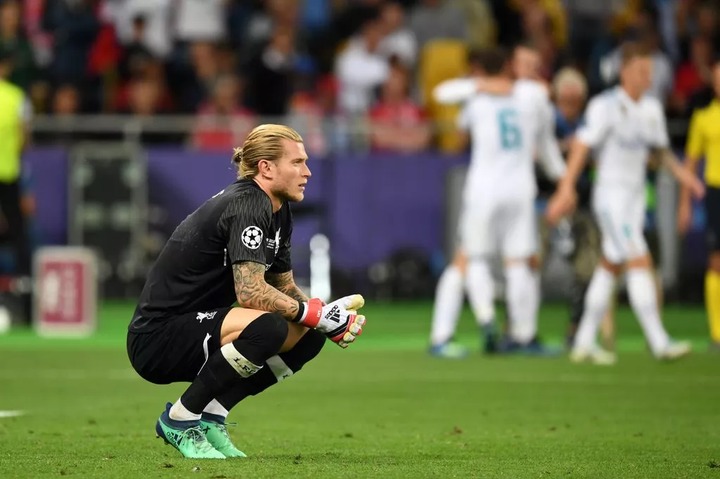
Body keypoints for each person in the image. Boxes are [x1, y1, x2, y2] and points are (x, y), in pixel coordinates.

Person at [127, 124, 367, 459]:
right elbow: (251, 291)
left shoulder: (278, 210)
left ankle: (212, 416)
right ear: (266, 168)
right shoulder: (248, 204)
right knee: (269, 328)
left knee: (310, 334)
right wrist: (315, 314)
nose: (307, 172)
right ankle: (180, 419)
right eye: (297, 162)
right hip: (157, 338)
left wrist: (326, 319)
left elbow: (282, 286)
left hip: (201, 326)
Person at [546, 42, 705, 365]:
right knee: (638, 257)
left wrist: (683, 176)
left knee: (610, 266)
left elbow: (659, 152)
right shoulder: (604, 106)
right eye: (641, 71)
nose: (648, 77)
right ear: (624, 72)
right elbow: (581, 146)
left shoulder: (651, 109)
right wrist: (565, 188)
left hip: (634, 199)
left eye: (649, 71)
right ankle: (659, 341)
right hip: (611, 197)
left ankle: (584, 341)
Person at [428, 48, 566, 358]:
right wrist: (565, 182)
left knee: (473, 259)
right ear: (510, 66)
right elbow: (546, 148)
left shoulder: (478, 97)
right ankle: (521, 335)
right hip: (520, 191)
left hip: (485, 191)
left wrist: (480, 86)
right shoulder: (535, 95)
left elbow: (443, 95)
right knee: (517, 263)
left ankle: (488, 321)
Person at [678, 57, 720, 351]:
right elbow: (689, 165)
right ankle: (718, 333)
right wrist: (685, 204)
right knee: (716, 262)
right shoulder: (704, 117)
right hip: (716, 191)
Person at [0, 48, 31, 277]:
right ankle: (24, 286)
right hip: (9, 172)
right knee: (18, 231)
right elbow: (24, 139)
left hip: (9, 173)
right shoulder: (17, 97)